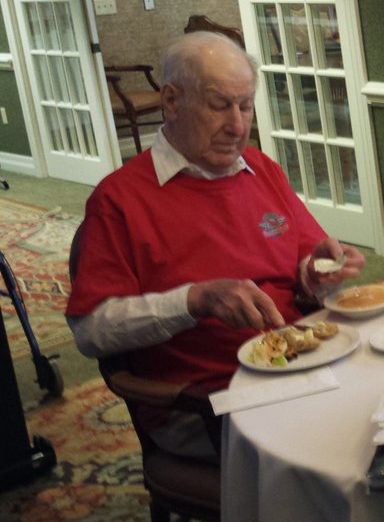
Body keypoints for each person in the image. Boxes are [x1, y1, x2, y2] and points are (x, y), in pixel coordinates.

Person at [67, 31, 366, 460]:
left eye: (245, 106)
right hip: (205, 403)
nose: (238, 125)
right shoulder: (120, 200)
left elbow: (305, 272)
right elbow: (91, 331)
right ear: (171, 101)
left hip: (301, 369)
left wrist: (316, 274)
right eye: (219, 105)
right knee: (348, 448)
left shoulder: (261, 170)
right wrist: (194, 301)